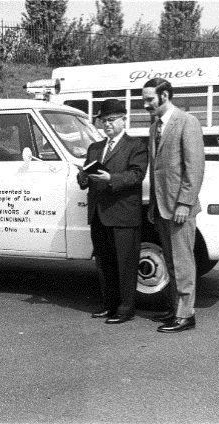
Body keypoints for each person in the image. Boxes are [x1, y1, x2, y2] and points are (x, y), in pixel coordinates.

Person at [142, 78, 205, 333]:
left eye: (149, 100)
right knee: (170, 261)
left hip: (180, 208)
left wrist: (184, 203)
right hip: (161, 207)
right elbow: (156, 170)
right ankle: (174, 309)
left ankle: (186, 316)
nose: (145, 105)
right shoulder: (154, 126)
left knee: (182, 262)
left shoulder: (187, 122)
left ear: (165, 95)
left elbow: (195, 167)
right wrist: (153, 206)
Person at [77, 99, 148, 324]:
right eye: (102, 121)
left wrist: (111, 179)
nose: (106, 125)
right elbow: (83, 181)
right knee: (104, 263)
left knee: (125, 265)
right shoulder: (95, 148)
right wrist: (83, 175)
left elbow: (137, 176)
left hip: (123, 215)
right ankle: (109, 306)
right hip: (99, 215)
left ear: (123, 120)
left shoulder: (135, 146)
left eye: (110, 120)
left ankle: (126, 309)